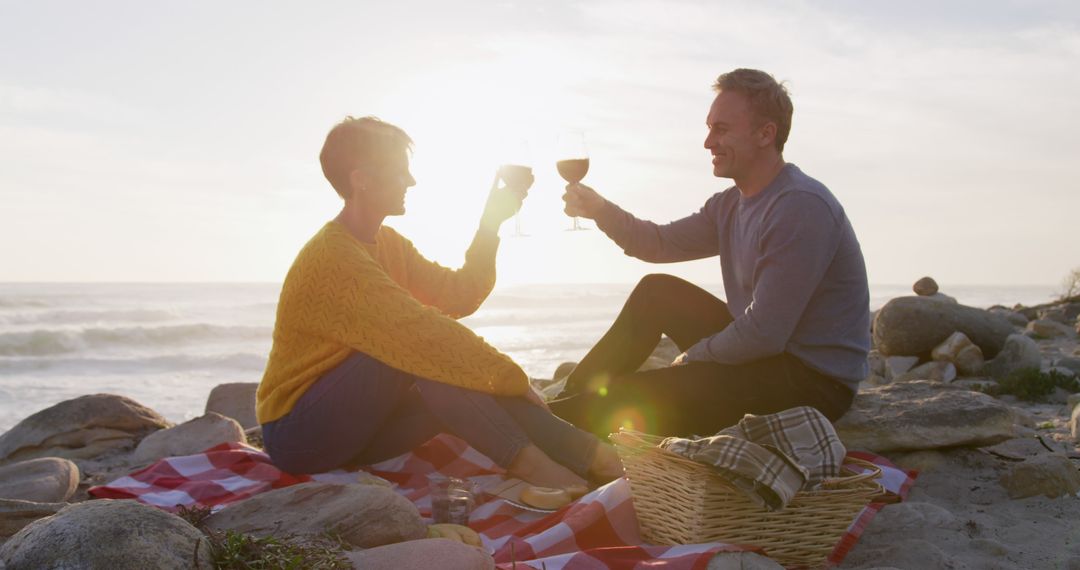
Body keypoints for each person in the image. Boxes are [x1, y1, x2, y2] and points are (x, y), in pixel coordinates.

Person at [257, 116, 621, 489]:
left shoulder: (390, 244)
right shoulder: (334, 257)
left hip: (361, 431)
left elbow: (460, 294)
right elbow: (422, 333)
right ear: (361, 179)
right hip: (298, 436)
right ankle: (540, 468)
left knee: (442, 362)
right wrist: (512, 377)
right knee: (423, 352)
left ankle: (591, 458)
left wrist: (489, 225)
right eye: (400, 171)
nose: (411, 181)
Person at [551, 69, 869, 438]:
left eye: (721, 129)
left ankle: (546, 425)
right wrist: (600, 209)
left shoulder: (799, 206)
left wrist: (693, 358)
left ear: (766, 134)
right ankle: (565, 403)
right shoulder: (731, 205)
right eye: (709, 128)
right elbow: (657, 243)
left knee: (635, 398)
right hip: (767, 356)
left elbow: (765, 333)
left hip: (811, 383)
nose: (707, 142)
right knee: (657, 292)